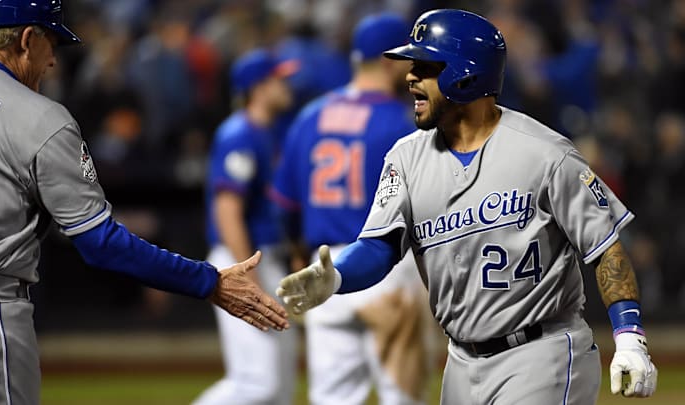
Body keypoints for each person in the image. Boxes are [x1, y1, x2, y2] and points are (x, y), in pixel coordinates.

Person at [277, 8, 659, 404]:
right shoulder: (405, 159)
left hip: (541, 352)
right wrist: (336, 277)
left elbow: (605, 248)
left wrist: (629, 338)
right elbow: (379, 246)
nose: (410, 77)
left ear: (464, 74)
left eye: (425, 67)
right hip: (460, 362)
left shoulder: (545, 154)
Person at [0, 2, 289, 405]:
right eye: (52, 43)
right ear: (28, 39)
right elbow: (101, 243)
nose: (52, 62)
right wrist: (208, 281)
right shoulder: (38, 117)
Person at [270, 12, 431, 405]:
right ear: (390, 60)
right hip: (388, 272)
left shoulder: (310, 118)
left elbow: (285, 205)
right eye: (410, 60)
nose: (415, 70)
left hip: (324, 271)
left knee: (333, 399)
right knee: (403, 398)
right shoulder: (404, 121)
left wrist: (297, 253)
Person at [191, 48, 299, 405]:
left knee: (281, 384)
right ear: (258, 87)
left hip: (263, 257)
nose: (286, 84)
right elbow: (227, 211)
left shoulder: (268, 131)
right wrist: (246, 277)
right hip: (243, 260)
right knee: (258, 382)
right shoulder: (239, 133)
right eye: (278, 78)